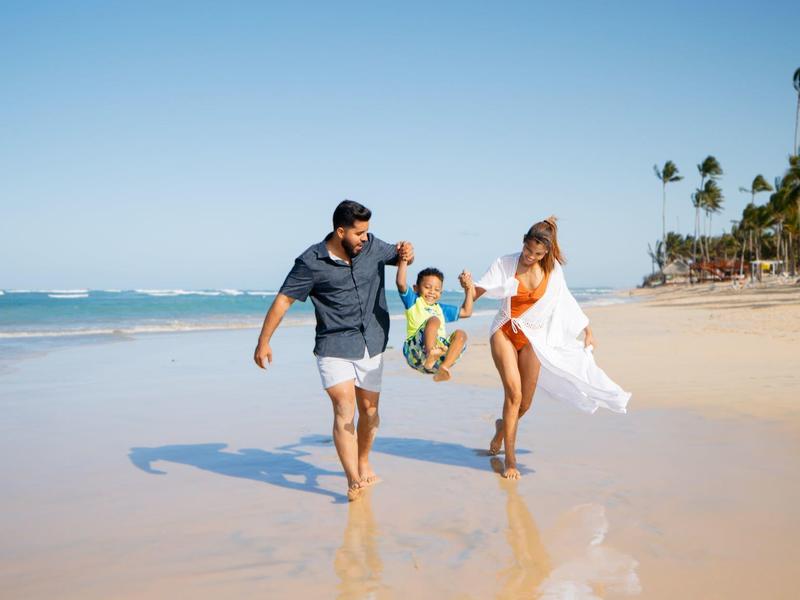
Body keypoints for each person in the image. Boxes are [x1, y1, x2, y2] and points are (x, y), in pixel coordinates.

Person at [253, 200, 414, 501]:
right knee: (344, 408)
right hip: (333, 344)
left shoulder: (372, 246)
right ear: (341, 232)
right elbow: (283, 300)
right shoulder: (310, 262)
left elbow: (401, 254)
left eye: (367, 232)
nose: (365, 239)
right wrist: (264, 341)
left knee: (370, 411)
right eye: (359, 233)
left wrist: (407, 252)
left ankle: (363, 460)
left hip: (373, 340)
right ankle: (353, 479)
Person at [465, 216, 630, 480]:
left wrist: (586, 328)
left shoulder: (553, 271)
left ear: (546, 252)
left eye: (537, 253)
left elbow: (565, 300)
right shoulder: (505, 263)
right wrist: (468, 288)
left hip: (533, 337)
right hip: (505, 331)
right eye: (528, 250)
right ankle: (510, 459)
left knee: (525, 404)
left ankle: (500, 429)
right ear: (523, 242)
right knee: (514, 394)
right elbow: (479, 291)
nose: (530, 256)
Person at [395, 259, 473, 382]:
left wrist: (468, 288)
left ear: (441, 293)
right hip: (416, 352)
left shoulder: (441, 309)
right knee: (434, 320)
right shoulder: (413, 301)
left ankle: (444, 368)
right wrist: (404, 260)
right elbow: (401, 283)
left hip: (438, 359)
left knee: (461, 334)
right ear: (416, 288)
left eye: (437, 290)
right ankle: (430, 353)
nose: (432, 292)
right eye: (427, 287)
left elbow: (467, 312)